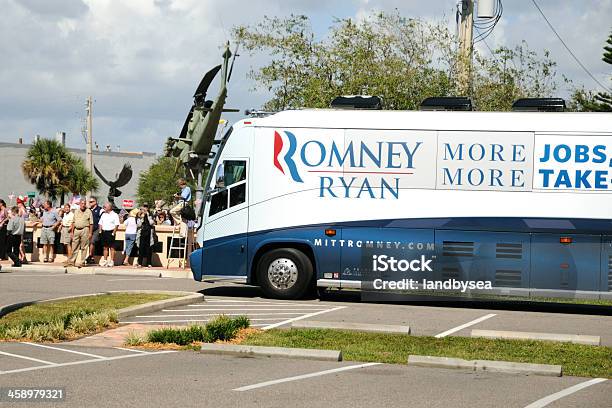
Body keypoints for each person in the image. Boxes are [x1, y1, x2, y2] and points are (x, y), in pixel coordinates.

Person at [65, 199, 93, 268]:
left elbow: (91, 223)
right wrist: (72, 232)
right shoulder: (76, 211)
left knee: (84, 247)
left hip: (85, 229)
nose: (83, 205)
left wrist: (90, 233)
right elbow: (73, 222)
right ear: (79, 204)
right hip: (76, 230)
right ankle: (72, 262)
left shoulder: (88, 211)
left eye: (84, 204)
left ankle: (82, 262)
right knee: (74, 246)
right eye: (82, 203)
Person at [98, 202, 119, 267]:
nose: (104, 208)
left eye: (105, 207)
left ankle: (112, 261)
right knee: (105, 247)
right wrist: (100, 231)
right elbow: (100, 223)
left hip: (111, 232)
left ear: (109, 207)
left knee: (112, 247)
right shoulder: (103, 214)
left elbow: (116, 224)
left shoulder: (115, 215)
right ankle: (105, 260)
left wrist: (113, 233)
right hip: (104, 232)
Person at [86, 197, 103, 265]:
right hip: (89, 229)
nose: (90, 203)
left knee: (92, 241)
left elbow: (103, 219)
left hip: (96, 229)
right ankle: (92, 257)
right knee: (89, 243)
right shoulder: (88, 210)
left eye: (91, 202)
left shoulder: (100, 210)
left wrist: (100, 229)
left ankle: (90, 256)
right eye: (89, 202)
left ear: (95, 202)